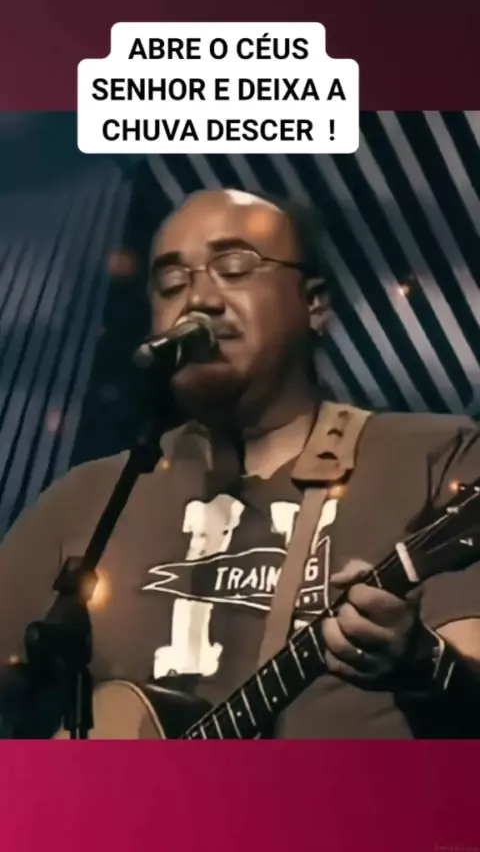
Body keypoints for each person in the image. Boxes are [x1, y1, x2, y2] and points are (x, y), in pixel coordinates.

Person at [0, 187, 480, 739]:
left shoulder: (435, 455)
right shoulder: (88, 498)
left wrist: (423, 663)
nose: (199, 298)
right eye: (171, 282)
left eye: (234, 267)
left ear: (314, 304)